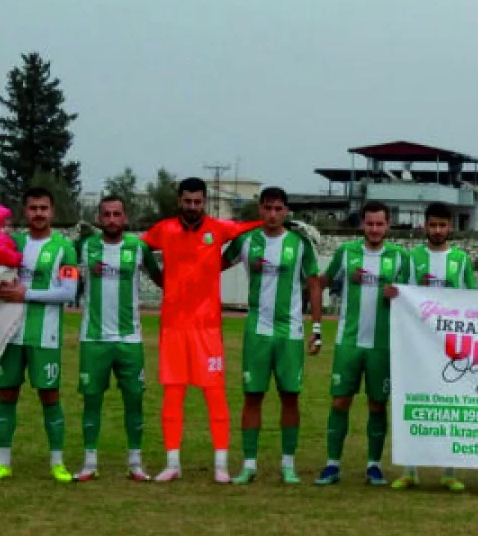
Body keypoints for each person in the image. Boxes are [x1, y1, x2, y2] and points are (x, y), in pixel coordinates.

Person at [140, 177, 263, 483]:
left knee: (215, 394)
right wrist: (158, 277)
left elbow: (249, 227)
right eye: (187, 201)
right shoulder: (164, 229)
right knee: (173, 394)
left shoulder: (218, 229)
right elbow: (138, 248)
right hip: (173, 326)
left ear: (205, 202)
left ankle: (221, 464)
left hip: (207, 327)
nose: (192, 206)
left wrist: (286, 224)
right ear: (179, 201)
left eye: (197, 202)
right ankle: (172, 463)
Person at [222, 187, 323, 486]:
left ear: (286, 211)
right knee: (252, 396)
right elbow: (212, 264)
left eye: (278, 209)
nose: (273, 214)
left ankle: (288, 465)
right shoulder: (246, 241)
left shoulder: (300, 243)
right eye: (267, 208)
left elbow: (314, 284)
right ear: (260, 210)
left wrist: (317, 328)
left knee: (290, 396)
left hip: (290, 332)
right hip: (257, 331)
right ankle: (249, 465)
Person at [0, 187, 79, 482]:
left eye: (43, 208)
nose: (38, 213)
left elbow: (68, 293)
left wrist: (25, 294)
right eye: (33, 208)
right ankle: (2, 463)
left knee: (50, 395)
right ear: (25, 211)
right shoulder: (12, 243)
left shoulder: (65, 248)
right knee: (6, 393)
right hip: (10, 333)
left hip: (45, 335)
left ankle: (57, 463)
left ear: (52, 211)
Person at [314, 201, 409, 486]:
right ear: (362, 225)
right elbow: (322, 281)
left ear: (388, 225)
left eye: (380, 224)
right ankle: (332, 464)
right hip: (349, 342)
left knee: (378, 404)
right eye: (370, 224)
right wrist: (309, 278)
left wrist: (399, 293)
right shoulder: (346, 252)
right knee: (340, 401)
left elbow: (414, 297)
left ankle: (374, 466)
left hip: (382, 344)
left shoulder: (400, 257)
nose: (375, 229)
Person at [72, 195, 164, 483]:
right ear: (99, 219)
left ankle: (135, 463)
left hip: (129, 339)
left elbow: (163, 280)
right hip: (93, 338)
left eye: (117, 214)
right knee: (91, 401)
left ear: (125, 218)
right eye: (106, 215)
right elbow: (64, 274)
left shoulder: (138, 248)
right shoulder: (84, 246)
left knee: (134, 400)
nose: (112, 220)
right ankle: (89, 463)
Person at [392, 202, 476, 493]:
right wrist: (393, 294)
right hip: (417, 343)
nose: (438, 230)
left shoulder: (461, 260)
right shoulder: (412, 258)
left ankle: (449, 471)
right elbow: (401, 295)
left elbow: (472, 301)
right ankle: (409, 470)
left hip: (449, 345)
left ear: (450, 227)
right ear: (424, 226)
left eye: (442, 225)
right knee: (413, 402)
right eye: (433, 225)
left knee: (450, 404)